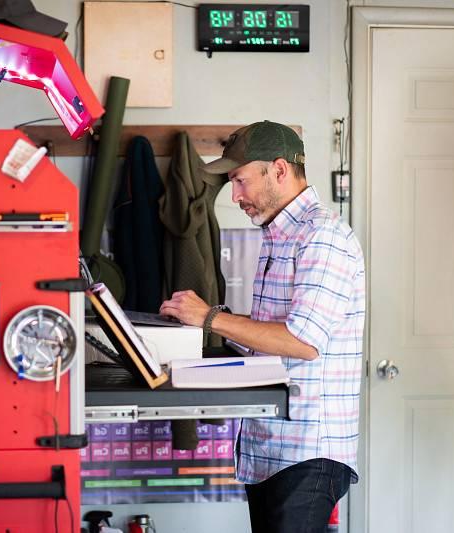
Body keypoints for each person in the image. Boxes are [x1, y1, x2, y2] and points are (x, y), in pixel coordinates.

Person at [159, 121, 366, 533]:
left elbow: (302, 342)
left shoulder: (321, 237)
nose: (234, 196)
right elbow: (272, 342)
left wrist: (209, 318)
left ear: (279, 170)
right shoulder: (280, 236)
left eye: (239, 181)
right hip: (272, 451)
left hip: (306, 453)